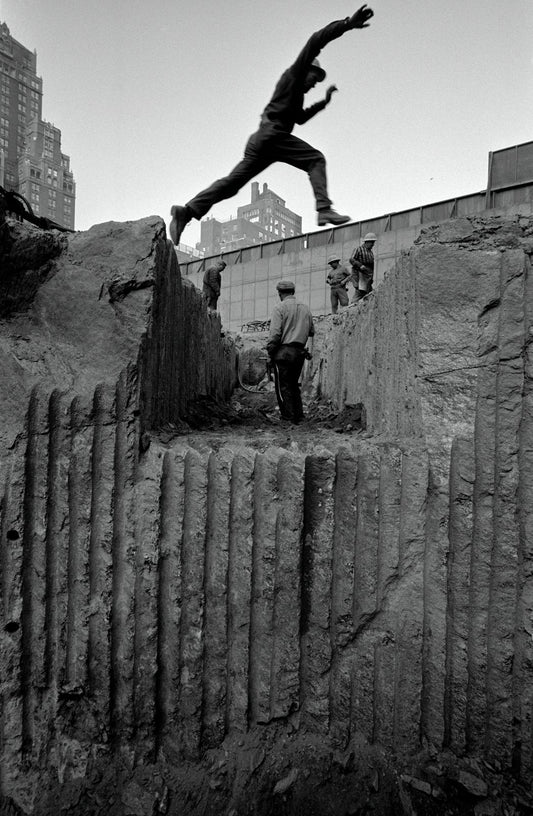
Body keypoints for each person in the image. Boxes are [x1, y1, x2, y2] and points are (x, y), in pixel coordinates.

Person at [169, 5, 374, 246]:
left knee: (231, 184)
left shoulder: (296, 94)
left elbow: (300, 118)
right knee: (315, 159)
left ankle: (187, 211)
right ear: (306, 70)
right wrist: (348, 23)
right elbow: (316, 40)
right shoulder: (294, 75)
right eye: (314, 78)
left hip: (261, 141)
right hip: (273, 136)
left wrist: (324, 103)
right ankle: (324, 208)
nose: (314, 84)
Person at [266, 280, 315, 424]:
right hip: (299, 352)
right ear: (293, 292)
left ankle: (288, 417)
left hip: (283, 352)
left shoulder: (279, 308)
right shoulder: (305, 308)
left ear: (280, 293)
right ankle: (298, 416)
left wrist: (270, 352)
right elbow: (311, 331)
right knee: (294, 384)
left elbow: (275, 334)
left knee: (282, 386)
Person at [349, 232, 376, 301]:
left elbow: (372, 266)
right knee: (360, 291)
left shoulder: (370, 253)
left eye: (373, 242)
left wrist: (371, 278)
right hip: (359, 273)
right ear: (367, 242)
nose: (373, 244)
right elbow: (352, 259)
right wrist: (360, 265)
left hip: (367, 275)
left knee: (369, 292)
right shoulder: (358, 249)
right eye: (372, 242)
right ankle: (353, 305)